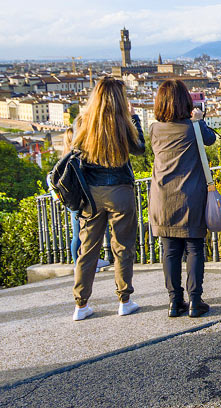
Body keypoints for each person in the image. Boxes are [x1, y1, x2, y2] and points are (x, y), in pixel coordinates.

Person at [70, 76, 146, 321]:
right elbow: (140, 148)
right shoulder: (123, 122)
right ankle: (124, 300)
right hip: (119, 191)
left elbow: (75, 151)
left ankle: (81, 305)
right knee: (122, 246)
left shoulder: (83, 121)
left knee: (87, 248)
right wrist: (134, 118)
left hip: (91, 194)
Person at [149, 80, 216, 318]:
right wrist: (199, 120)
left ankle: (174, 302)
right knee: (194, 248)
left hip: (162, 196)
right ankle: (195, 301)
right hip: (191, 195)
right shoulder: (192, 128)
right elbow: (211, 140)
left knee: (170, 251)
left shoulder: (154, 129)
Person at [62, 127, 110, 272]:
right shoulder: (75, 158)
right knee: (81, 233)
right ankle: (80, 264)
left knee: (81, 232)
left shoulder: (64, 159)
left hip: (72, 199)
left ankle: (84, 262)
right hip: (80, 198)